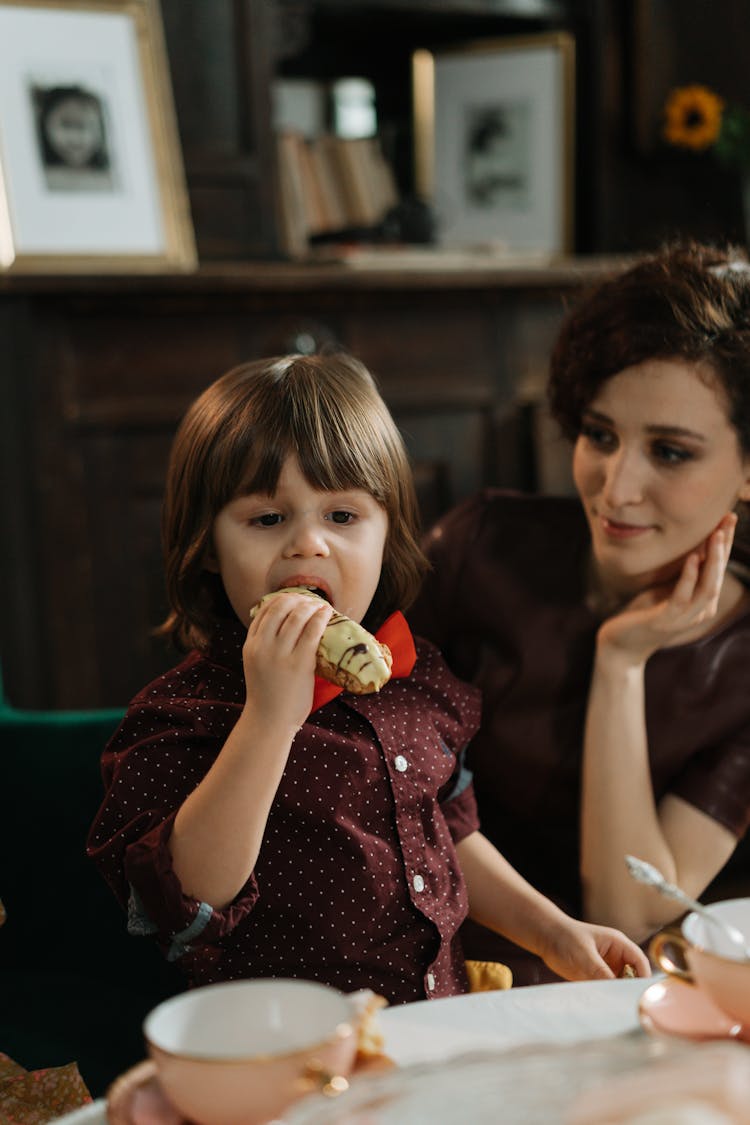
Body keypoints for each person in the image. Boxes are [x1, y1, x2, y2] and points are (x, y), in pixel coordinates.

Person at [87, 353, 648, 1005]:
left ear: (387, 532)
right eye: (268, 519)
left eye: (343, 517)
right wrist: (268, 719)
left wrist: (553, 931)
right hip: (287, 1055)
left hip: (435, 1025)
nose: (309, 545)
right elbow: (190, 897)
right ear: (209, 545)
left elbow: (450, 834)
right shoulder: (181, 715)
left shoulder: (418, 680)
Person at [408, 240, 750, 985]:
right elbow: (359, 774)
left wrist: (621, 663)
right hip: (420, 951)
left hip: (604, 991)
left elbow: (628, 912)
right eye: (600, 435)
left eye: (670, 451)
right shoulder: (476, 549)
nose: (615, 486)